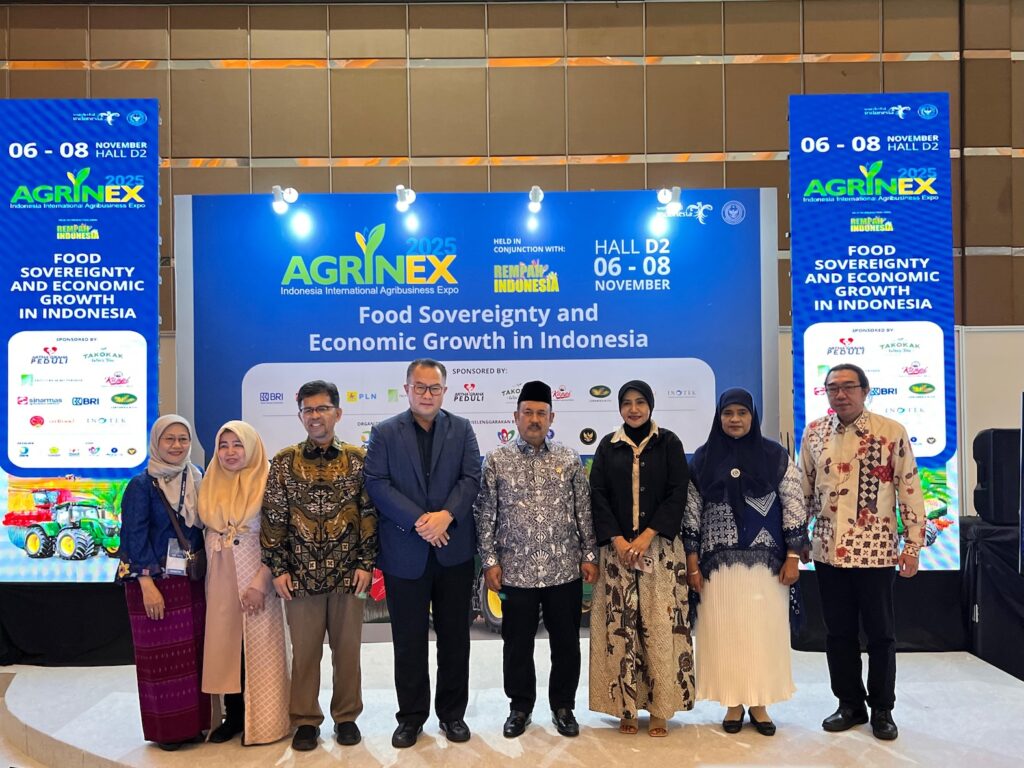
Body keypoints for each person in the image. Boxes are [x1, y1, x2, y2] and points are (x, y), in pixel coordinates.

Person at [800, 363, 924, 741]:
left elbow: (909, 488)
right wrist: (798, 538)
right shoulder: (814, 432)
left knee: (881, 634)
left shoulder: (890, 432)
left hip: (876, 551)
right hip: (828, 551)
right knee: (838, 633)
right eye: (833, 388)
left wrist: (913, 544)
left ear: (865, 390)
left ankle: (882, 708)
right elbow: (804, 488)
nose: (841, 394)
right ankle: (849, 704)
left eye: (848, 386)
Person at [364, 359, 481, 748]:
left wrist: (446, 516)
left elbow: (471, 478)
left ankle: (452, 714)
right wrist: (420, 521)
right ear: (407, 389)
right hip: (404, 553)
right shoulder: (384, 432)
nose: (427, 394)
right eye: (420, 387)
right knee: (408, 641)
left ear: (444, 391)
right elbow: (376, 483)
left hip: (453, 551)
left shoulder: (462, 429)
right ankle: (411, 718)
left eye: (434, 388)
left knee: (455, 639)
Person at [475, 380, 598, 739]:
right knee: (517, 645)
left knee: (566, 643)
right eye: (527, 412)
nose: (534, 419)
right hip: (515, 572)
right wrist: (489, 561)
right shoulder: (497, 460)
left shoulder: (569, 458)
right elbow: (485, 514)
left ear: (551, 418)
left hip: (564, 570)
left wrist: (590, 554)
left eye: (541, 413)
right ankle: (520, 707)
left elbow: (584, 511)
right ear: (515, 417)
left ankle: (563, 706)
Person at [261, 380, 378, 752]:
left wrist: (366, 563)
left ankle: (346, 717)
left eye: (322, 408)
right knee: (306, 653)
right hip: (300, 576)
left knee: (348, 652)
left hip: (349, 575)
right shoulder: (284, 462)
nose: (315, 416)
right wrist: (278, 568)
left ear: (337, 413)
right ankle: (306, 721)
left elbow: (369, 514)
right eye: (308, 410)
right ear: (300, 416)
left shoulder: (358, 459)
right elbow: (273, 518)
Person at [684, 387, 806, 736]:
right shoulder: (703, 458)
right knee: (726, 634)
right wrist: (692, 564)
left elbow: (794, 503)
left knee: (762, 633)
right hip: (717, 569)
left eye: (742, 413)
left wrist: (793, 556)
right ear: (718, 417)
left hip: (768, 567)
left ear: (753, 416)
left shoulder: (775, 455)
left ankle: (760, 703)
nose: (734, 419)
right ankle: (734, 703)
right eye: (728, 413)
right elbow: (691, 513)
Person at [588, 381, 695, 737]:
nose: (633, 409)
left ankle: (661, 708)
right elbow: (598, 495)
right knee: (621, 629)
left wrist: (648, 536)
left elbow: (678, 492)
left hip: (660, 551)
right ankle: (626, 708)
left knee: (660, 628)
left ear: (650, 405)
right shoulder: (609, 445)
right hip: (616, 554)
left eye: (640, 402)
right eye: (627, 403)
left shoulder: (669, 443)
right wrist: (618, 540)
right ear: (619, 408)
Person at [117, 414, 210, 750]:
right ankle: (168, 731)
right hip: (154, 583)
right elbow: (133, 536)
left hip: (190, 581)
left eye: (183, 439)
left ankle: (194, 724)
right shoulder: (141, 485)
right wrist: (146, 583)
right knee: (162, 660)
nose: (176, 445)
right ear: (156, 442)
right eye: (169, 439)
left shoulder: (196, 476)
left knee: (192, 656)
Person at [198, 420, 289, 745]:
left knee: (259, 646)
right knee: (227, 647)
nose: (230, 452)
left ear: (251, 447)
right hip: (220, 574)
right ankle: (233, 716)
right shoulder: (209, 480)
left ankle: (266, 720)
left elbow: (280, 536)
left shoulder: (269, 480)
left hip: (257, 573)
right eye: (223, 445)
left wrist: (262, 581)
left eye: (238, 445)